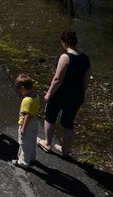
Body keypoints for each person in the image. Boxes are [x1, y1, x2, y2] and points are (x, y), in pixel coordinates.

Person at [39, 30, 91, 158]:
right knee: (68, 122)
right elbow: (86, 80)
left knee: (50, 116)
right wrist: (81, 94)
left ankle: (47, 143)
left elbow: (57, 79)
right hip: (76, 96)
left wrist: (49, 93)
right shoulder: (85, 58)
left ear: (65, 42)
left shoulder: (65, 57)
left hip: (61, 94)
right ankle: (65, 150)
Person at [11, 74, 41, 168]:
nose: (19, 92)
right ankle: (32, 158)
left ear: (23, 88)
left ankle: (23, 162)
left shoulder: (27, 100)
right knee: (32, 141)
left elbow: (27, 115)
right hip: (35, 123)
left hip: (27, 124)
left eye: (19, 89)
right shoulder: (36, 96)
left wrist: (23, 127)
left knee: (24, 143)